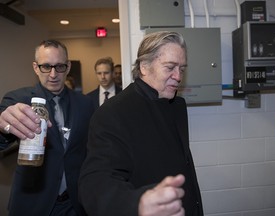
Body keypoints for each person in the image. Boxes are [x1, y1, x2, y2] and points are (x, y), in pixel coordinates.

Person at [79, 31, 203, 216]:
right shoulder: (113, 112)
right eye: (170, 67)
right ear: (144, 66)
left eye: (182, 69)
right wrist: (137, 204)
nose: (178, 76)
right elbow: (95, 182)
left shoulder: (176, 104)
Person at [0, 40, 94, 216]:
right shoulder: (17, 99)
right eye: (46, 67)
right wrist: (3, 127)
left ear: (68, 67)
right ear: (35, 67)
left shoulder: (86, 104)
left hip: (75, 203)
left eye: (59, 67)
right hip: (33, 204)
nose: (53, 74)